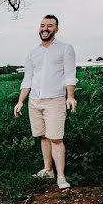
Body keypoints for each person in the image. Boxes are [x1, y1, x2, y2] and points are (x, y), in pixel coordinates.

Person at [13, 14, 77, 189]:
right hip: (34, 101)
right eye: (42, 25)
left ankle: (61, 177)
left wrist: (70, 96)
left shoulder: (65, 48)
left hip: (55, 100)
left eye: (49, 25)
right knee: (43, 136)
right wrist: (20, 102)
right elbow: (28, 79)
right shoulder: (33, 53)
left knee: (56, 138)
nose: (45, 29)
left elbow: (70, 75)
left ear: (56, 29)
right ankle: (48, 170)